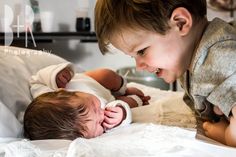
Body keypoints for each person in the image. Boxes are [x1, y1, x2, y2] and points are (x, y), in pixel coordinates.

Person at [94, 0, 236, 147]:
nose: (139, 67)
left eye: (142, 51)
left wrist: (223, 135)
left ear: (180, 23)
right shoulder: (191, 60)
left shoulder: (219, 57)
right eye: (133, 56)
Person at [24, 62, 150, 140]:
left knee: (106, 75)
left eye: (95, 108)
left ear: (63, 92)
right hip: (110, 100)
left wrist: (57, 76)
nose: (101, 113)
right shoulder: (93, 124)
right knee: (123, 106)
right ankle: (137, 99)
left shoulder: (47, 93)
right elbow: (117, 119)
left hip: (89, 81)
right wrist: (121, 114)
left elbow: (36, 80)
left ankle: (123, 89)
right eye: (99, 124)